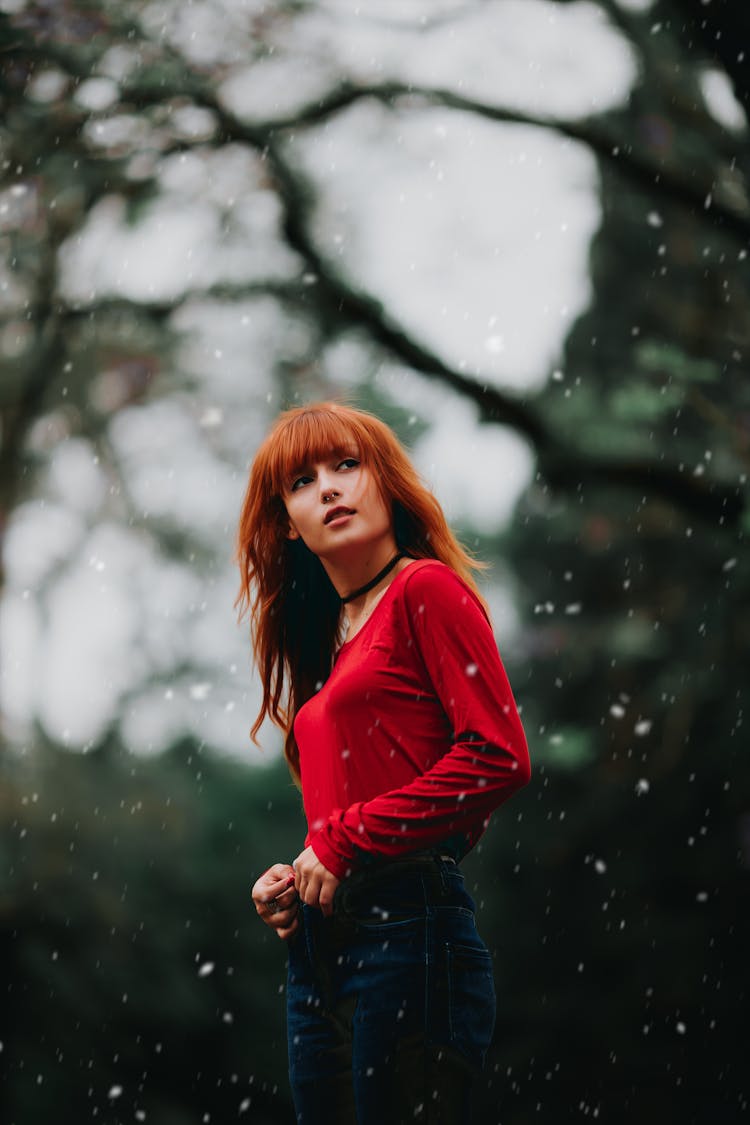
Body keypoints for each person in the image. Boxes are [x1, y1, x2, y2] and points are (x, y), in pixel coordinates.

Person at [235, 401, 530, 1124]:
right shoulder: (330, 648)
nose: (329, 488)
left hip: (410, 938)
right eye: (302, 481)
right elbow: (373, 794)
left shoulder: (424, 590)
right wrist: (302, 869)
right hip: (321, 953)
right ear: (285, 523)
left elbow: (498, 757)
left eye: (346, 465)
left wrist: (344, 841)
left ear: (386, 481)